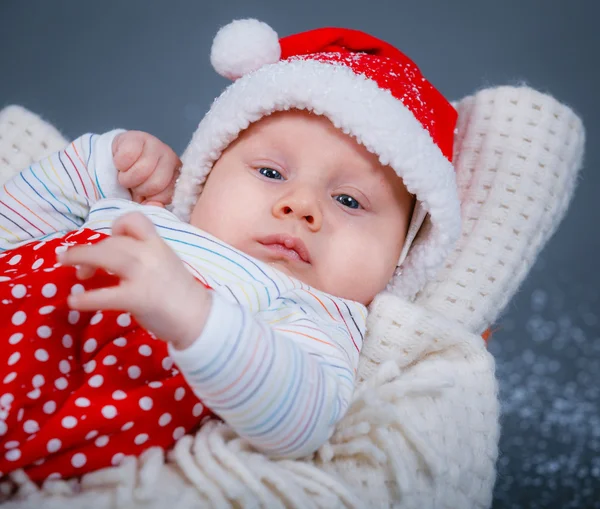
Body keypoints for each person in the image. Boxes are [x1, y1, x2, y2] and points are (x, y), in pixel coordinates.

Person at [0, 19, 461, 483]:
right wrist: (101, 165)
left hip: (52, 425)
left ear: (402, 256)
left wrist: (197, 318)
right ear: (205, 173)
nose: (300, 206)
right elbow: (13, 231)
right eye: (270, 172)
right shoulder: (145, 216)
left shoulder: (315, 314)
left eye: (349, 201)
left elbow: (302, 423)